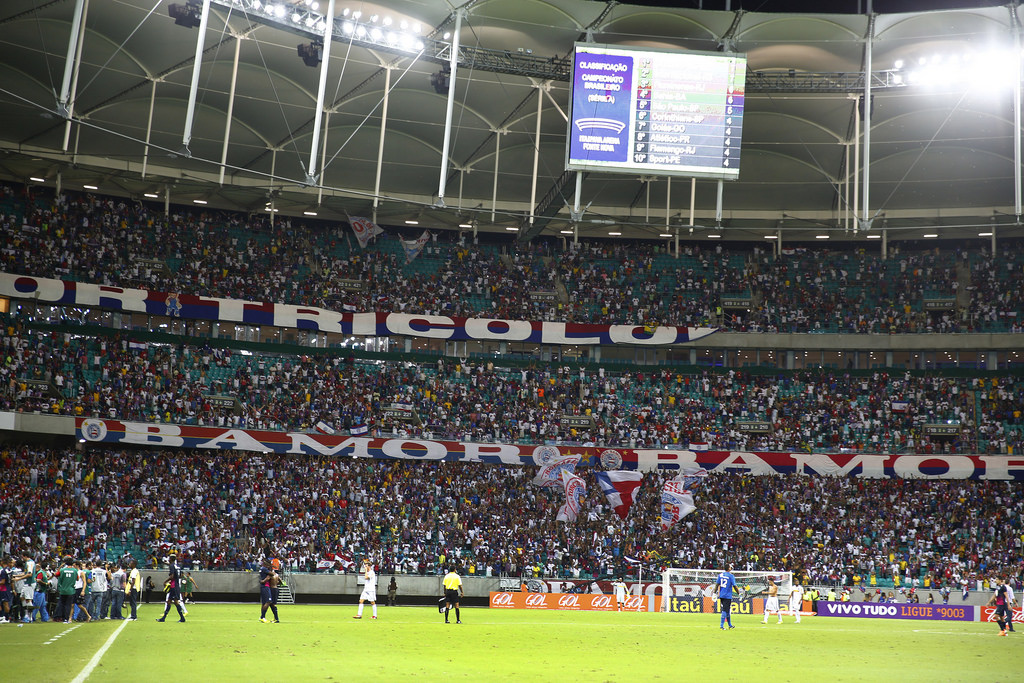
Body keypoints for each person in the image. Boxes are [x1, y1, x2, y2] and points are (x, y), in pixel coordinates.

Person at [157, 553, 186, 623]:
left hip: (173, 586)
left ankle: (182, 618)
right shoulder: (177, 566)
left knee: (174, 602)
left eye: (169, 558)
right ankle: (164, 618)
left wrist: (165, 581)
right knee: (170, 601)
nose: (168, 559)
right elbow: (180, 575)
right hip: (176, 585)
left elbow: (172, 576)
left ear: (171, 559)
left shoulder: (172, 566)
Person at [717, 563, 738, 630]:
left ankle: (730, 625)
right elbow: (734, 585)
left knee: (727, 610)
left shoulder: (720, 575)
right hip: (727, 595)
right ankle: (721, 626)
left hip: (722, 595)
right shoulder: (731, 576)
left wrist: (715, 592)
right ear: (729, 568)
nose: (731, 568)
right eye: (730, 567)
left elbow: (717, 584)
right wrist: (738, 592)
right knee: (725, 610)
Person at [258, 557, 279, 623]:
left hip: (267, 587)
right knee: (269, 602)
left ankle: (262, 617)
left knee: (265, 603)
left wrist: (262, 581)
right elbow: (271, 576)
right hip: (266, 587)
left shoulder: (263, 569)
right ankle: (263, 617)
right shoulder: (266, 570)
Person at [57, 557, 77, 623]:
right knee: (68, 605)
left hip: (63, 590)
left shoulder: (62, 570)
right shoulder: (75, 570)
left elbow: (59, 578)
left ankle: (61, 618)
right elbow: (77, 579)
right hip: (71, 590)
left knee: (62, 604)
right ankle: (67, 618)